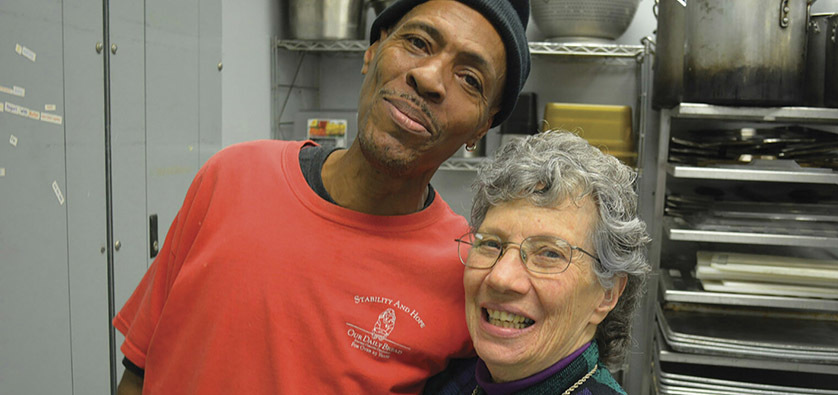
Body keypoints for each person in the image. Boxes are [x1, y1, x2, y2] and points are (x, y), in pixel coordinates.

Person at [114, 0, 530, 393]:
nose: (429, 78)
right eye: (418, 43)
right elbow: (139, 369)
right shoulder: (231, 177)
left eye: (470, 79)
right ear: (373, 51)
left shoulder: (465, 273)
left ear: (483, 126)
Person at [429, 130, 650, 394]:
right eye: (490, 244)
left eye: (549, 254)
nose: (501, 278)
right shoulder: (447, 380)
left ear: (607, 294)